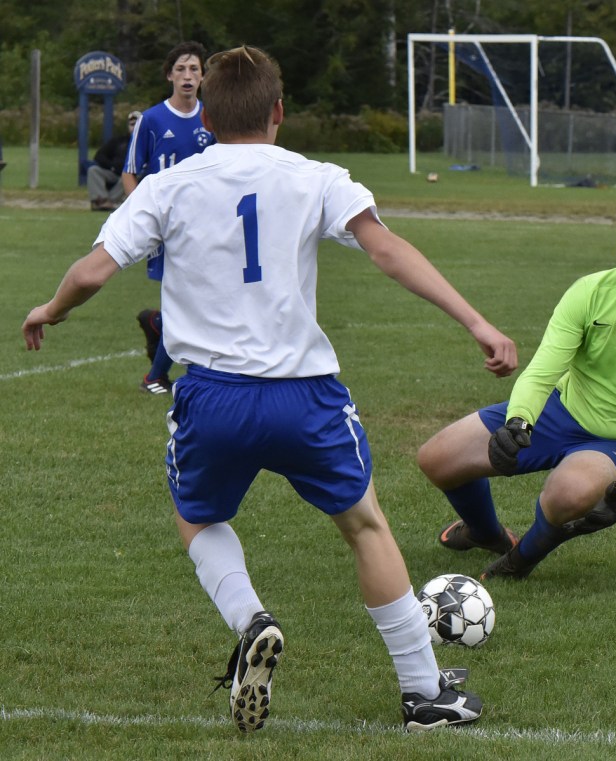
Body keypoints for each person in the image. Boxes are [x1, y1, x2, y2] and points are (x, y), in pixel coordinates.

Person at [22, 44, 518, 733]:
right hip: (304, 395)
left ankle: (251, 617)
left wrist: (51, 309)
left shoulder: (173, 184)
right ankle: (424, 692)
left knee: (197, 518)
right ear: (278, 112)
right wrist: (477, 322)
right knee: (365, 524)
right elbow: (387, 249)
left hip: (213, 396)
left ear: (209, 117)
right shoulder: (314, 176)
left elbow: (93, 271)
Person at [418, 204, 616, 581]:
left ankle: (518, 562)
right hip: (561, 410)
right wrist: (519, 421)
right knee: (437, 459)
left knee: (567, 496)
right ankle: (487, 534)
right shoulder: (591, 292)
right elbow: (542, 372)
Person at [122, 40, 215, 395]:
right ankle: (155, 377)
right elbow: (130, 172)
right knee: (187, 302)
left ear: (203, 76)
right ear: (169, 76)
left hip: (205, 227)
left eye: (194, 69)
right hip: (166, 229)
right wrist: (145, 215)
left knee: (194, 300)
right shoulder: (152, 120)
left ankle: (157, 325)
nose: (188, 76)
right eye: (181, 69)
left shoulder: (212, 118)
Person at [86, 111, 141, 211]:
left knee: (128, 176)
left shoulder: (147, 142)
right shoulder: (118, 141)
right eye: (132, 124)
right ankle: (101, 199)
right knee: (93, 170)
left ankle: (110, 202)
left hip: (133, 174)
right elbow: (99, 156)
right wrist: (111, 166)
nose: (134, 127)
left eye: (138, 124)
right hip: (114, 172)